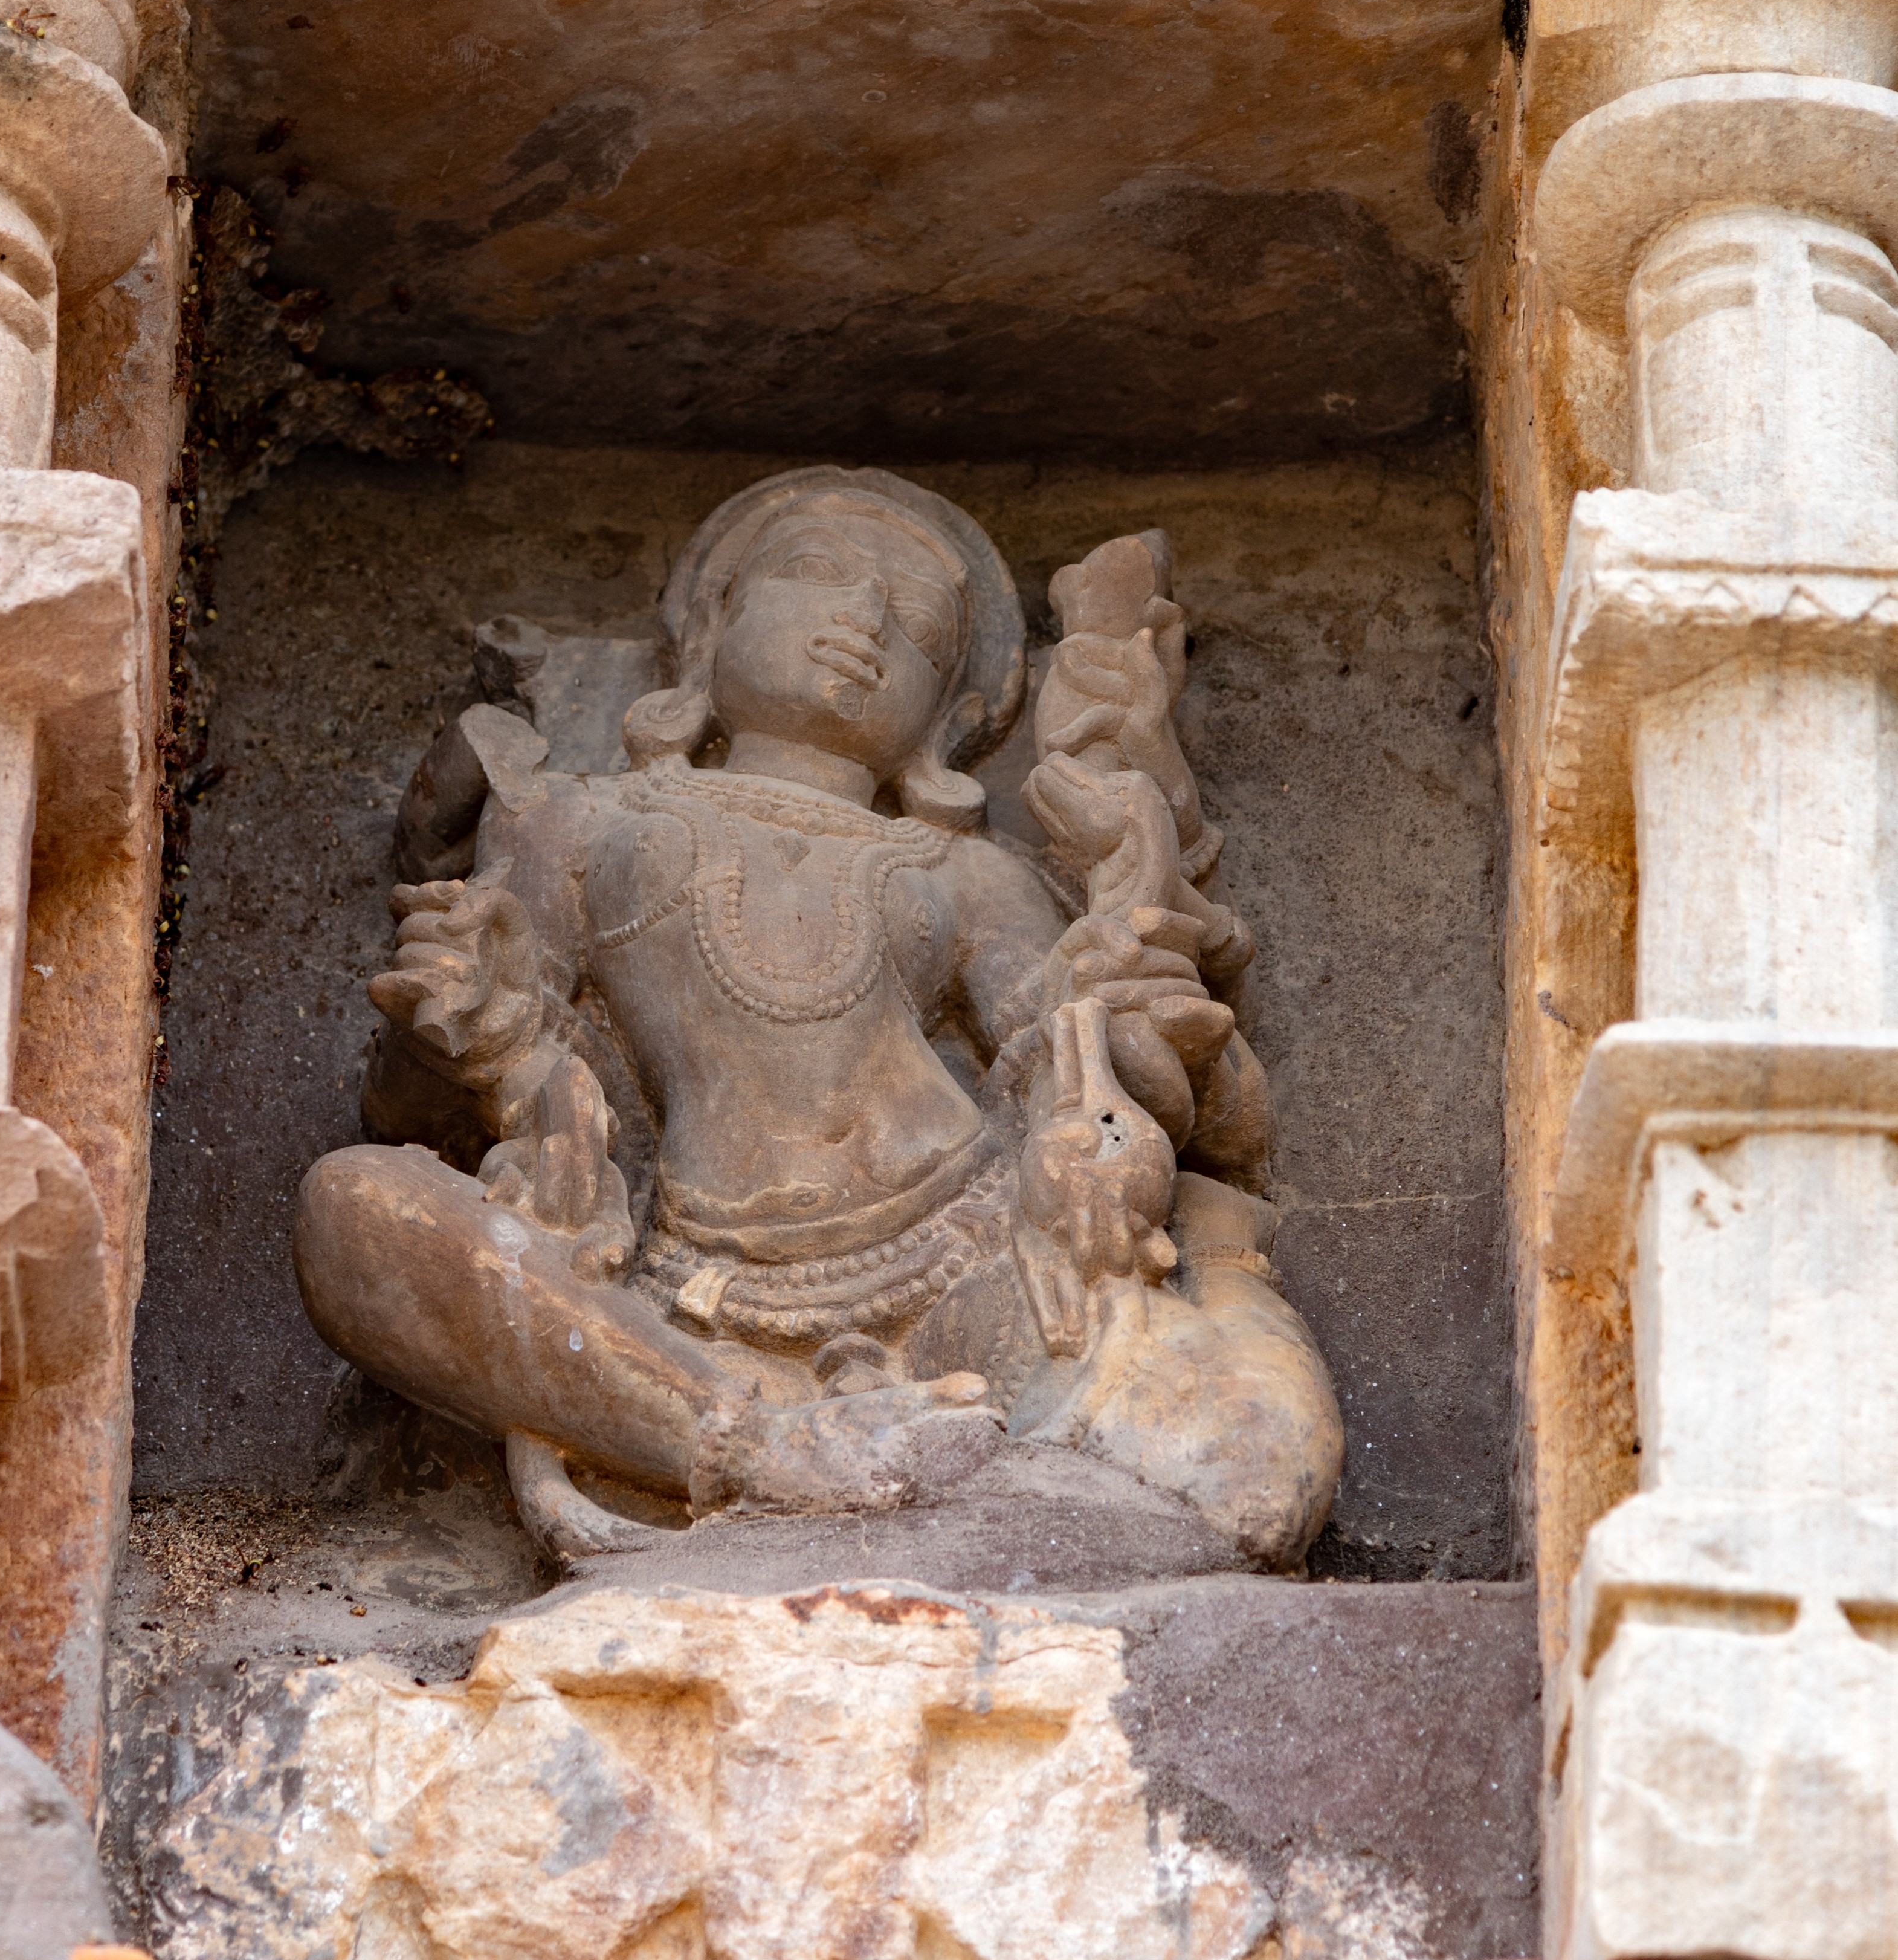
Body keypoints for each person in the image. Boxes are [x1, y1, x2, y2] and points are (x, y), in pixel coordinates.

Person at [295, 468, 1340, 1562]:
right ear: (709, 630)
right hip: (689, 1314)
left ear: (945, 717)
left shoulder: (965, 871)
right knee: (354, 1209)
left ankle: (931, 1492)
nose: (863, 620)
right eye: (816, 575)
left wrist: (1118, 1096)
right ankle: (760, 1454)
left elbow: (1068, 1062)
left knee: (1261, 1472)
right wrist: (449, 1019)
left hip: (977, 1267)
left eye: (918, 622)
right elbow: (430, 1108)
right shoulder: (579, 824)